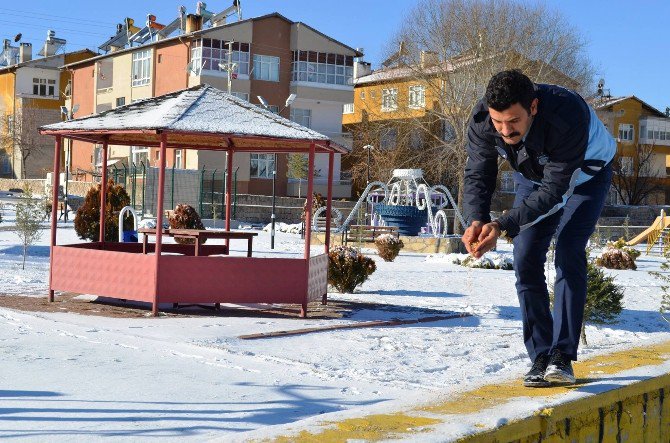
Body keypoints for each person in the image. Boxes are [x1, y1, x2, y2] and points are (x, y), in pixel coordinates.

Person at [461, 70, 616, 387]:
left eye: (513, 122)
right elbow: (478, 173)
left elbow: (555, 192)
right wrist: (476, 219)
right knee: (525, 254)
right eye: (498, 122)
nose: (505, 131)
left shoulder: (566, 115)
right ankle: (540, 356)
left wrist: (503, 224)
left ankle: (562, 356)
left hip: (586, 176)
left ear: (532, 107)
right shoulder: (481, 120)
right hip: (533, 178)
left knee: (569, 250)